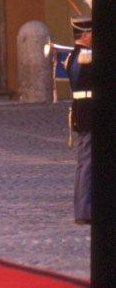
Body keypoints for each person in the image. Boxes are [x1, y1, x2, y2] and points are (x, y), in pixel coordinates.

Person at [65, 13, 92, 225]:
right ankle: (84, 210)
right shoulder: (84, 56)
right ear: (84, 35)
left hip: (84, 110)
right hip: (89, 111)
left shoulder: (77, 54)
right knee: (87, 162)